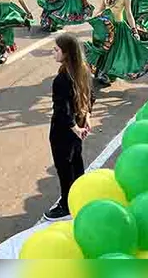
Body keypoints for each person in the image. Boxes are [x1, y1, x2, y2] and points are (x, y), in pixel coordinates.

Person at [44, 33, 94, 221]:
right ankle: (80, 195)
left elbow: (62, 110)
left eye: (56, 50)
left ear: (66, 53)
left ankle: (66, 204)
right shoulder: (84, 70)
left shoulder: (61, 79)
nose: (53, 52)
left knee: (64, 168)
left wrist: (74, 127)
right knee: (76, 163)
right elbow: (90, 97)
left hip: (64, 132)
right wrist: (86, 120)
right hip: (79, 125)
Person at [85, 0, 148, 85]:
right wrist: (95, 17)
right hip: (106, 28)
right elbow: (102, 9)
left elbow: (129, 15)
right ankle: (103, 71)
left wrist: (134, 30)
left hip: (119, 29)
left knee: (114, 52)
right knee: (104, 50)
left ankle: (109, 74)